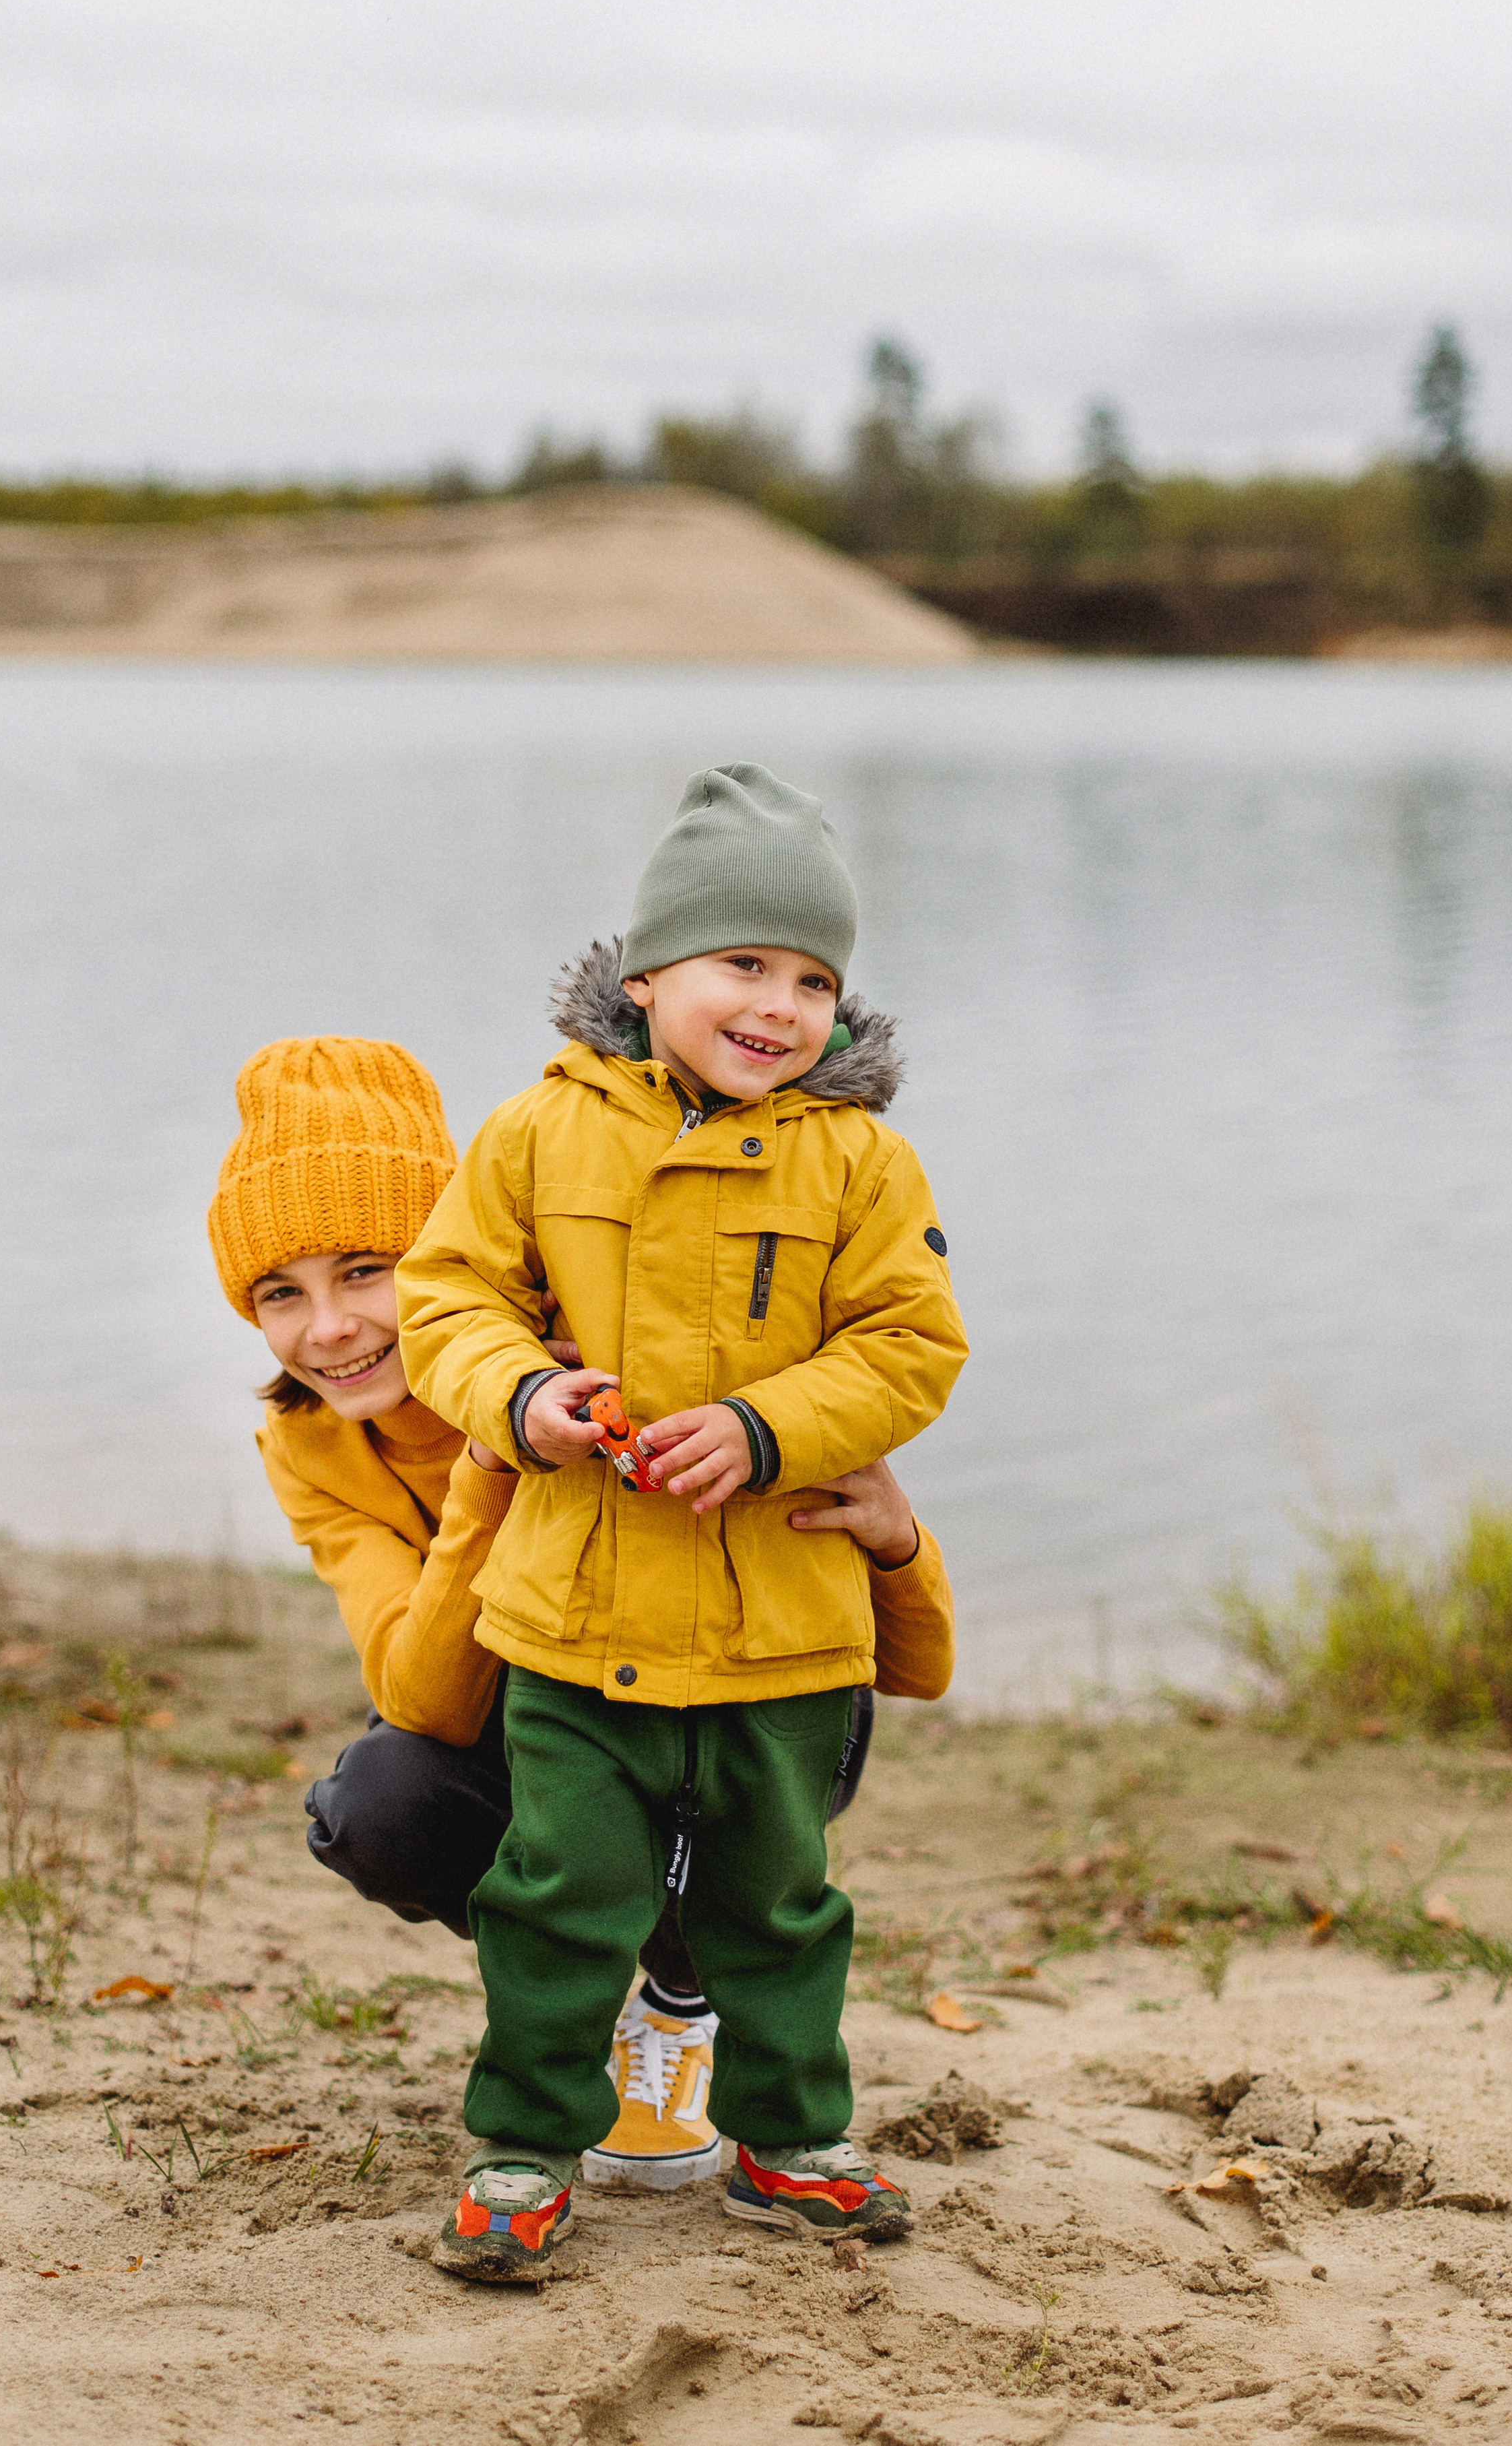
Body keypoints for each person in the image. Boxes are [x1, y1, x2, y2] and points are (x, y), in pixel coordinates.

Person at [397, 761, 969, 2281]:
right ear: (644, 975)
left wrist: (772, 1428)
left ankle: (789, 2143)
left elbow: (910, 1346)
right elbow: (445, 1297)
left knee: (775, 1909)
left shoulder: (860, 1159)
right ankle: (525, 2145)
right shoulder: (535, 1132)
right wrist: (520, 1398)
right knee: (555, 1896)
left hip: (783, 1632)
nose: (777, 1005)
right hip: (576, 1627)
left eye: (811, 979)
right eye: (742, 966)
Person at [207, 1030, 955, 2194]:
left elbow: (911, 1660)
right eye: (281, 1294)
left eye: (368, 1270)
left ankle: (688, 1986)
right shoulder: (313, 1448)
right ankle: (610, 1960)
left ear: (453, 1255)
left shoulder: (599, 1357)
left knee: (750, 1778)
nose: (332, 1328)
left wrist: (899, 1539)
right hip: (545, 1737)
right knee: (376, 1806)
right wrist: (497, 1449)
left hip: (740, 1703)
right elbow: (424, 1699)